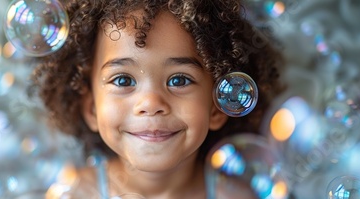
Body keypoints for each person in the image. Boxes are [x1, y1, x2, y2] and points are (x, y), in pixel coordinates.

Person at [33, 0, 284, 198]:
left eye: (179, 80)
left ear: (218, 106)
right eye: (123, 80)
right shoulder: (77, 192)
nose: (151, 103)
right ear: (91, 109)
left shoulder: (235, 196)